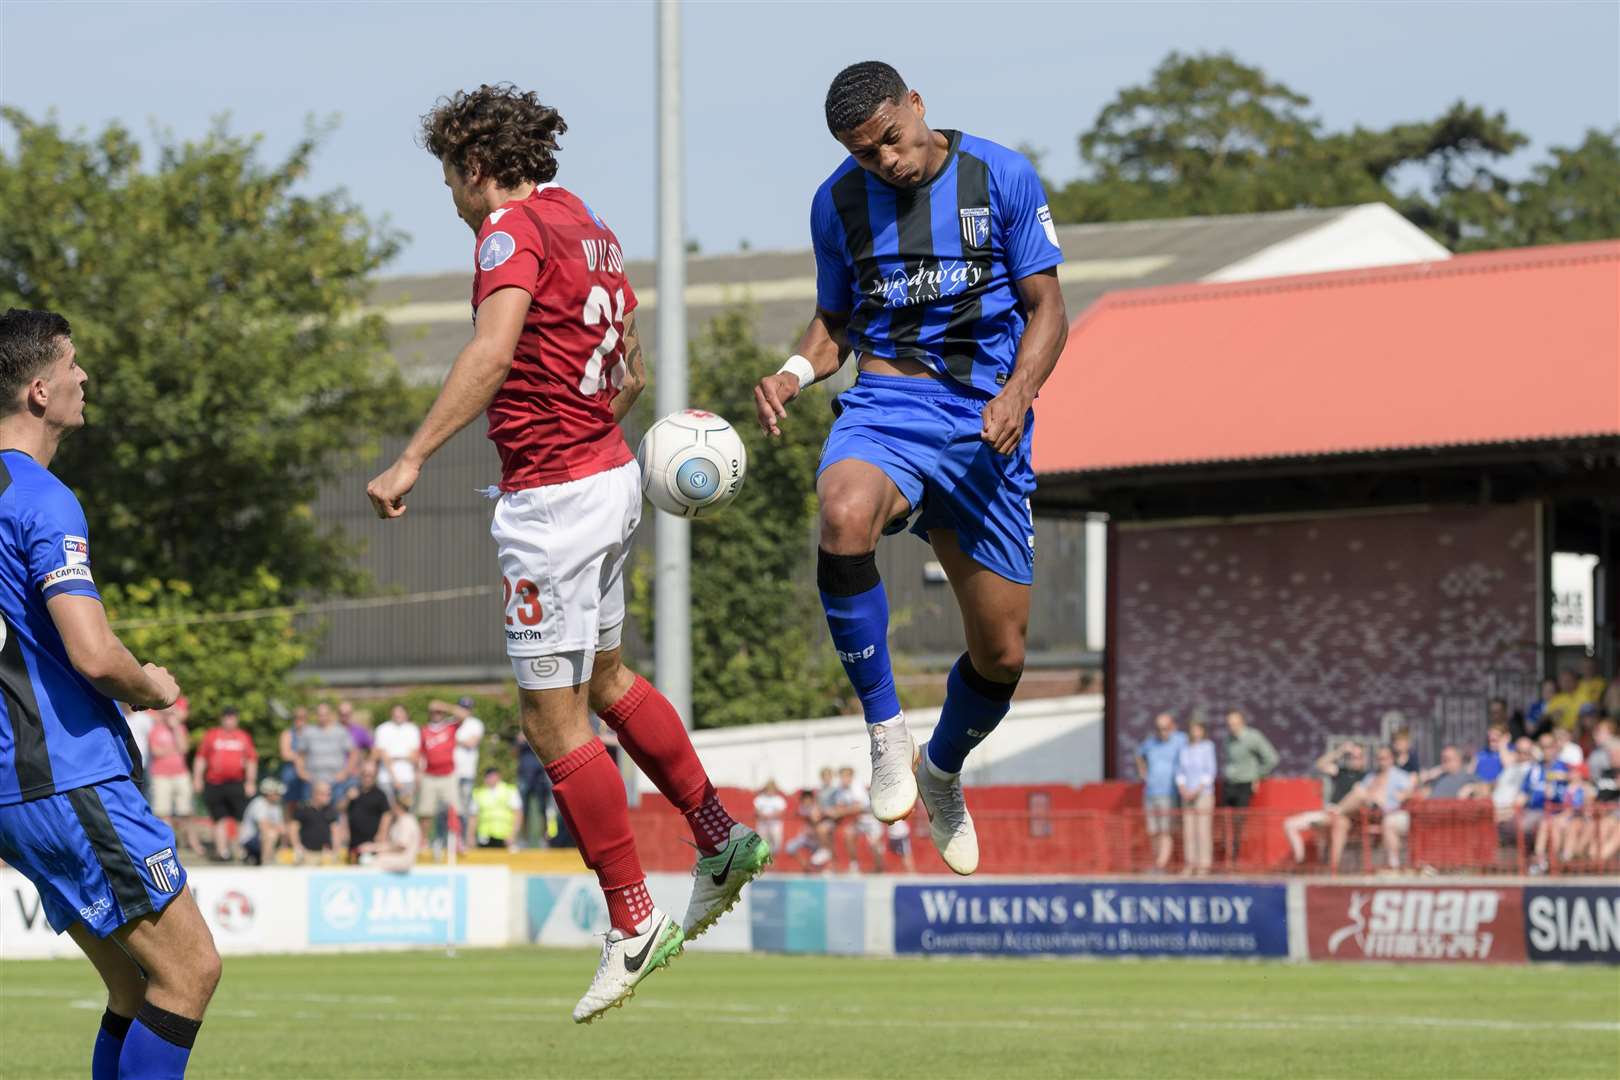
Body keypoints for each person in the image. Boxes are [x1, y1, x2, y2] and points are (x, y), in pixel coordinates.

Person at [366, 84, 767, 1023]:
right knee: (607, 680)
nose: (454, 201)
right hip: (608, 474)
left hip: (551, 502)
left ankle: (632, 919)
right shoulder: (589, 225)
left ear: (473, 168)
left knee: (551, 723)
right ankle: (716, 833)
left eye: (450, 180)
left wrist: (414, 454)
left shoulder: (507, 233)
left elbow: (494, 350)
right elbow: (623, 369)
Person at [751, 61, 1067, 879]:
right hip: (890, 408)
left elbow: (1048, 307)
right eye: (865, 153)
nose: (886, 160)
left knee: (1002, 656)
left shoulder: (998, 174)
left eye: (891, 138)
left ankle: (940, 770)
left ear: (917, 106)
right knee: (844, 512)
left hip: (987, 424)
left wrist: (1019, 391)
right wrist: (793, 370)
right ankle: (885, 733)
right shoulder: (837, 203)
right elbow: (836, 320)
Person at [0, 307, 220, 1077]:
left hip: (17, 787)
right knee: (190, 972)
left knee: (133, 985)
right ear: (38, 389)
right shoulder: (40, 498)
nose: (83, 377)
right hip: (66, 774)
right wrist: (151, 686)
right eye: (71, 365)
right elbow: (93, 655)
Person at [1330, 745, 1416, 871]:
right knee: (1343, 818)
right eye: (1379, 758)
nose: (1381, 761)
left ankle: (1335, 811)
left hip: (1388, 811)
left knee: (1359, 792)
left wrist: (1400, 796)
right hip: (1368, 812)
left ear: (1392, 759)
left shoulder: (1400, 776)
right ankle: (1333, 869)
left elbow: (1410, 792)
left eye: (1384, 758)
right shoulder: (1372, 776)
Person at [1283, 741, 1367, 867]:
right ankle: (1299, 860)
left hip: (1346, 815)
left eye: (1358, 757)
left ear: (1364, 759)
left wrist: (1340, 811)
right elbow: (1320, 764)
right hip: (1327, 812)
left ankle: (1333, 869)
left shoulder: (1366, 776)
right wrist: (1341, 751)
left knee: (1338, 823)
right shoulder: (1341, 772)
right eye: (1351, 757)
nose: (1354, 760)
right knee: (1290, 824)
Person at [192, 707, 257, 862]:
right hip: (215, 783)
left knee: (239, 819)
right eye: (227, 717)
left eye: (232, 717)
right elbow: (201, 758)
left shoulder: (243, 737)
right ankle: (222, 852)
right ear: (222, 719)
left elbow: (251, 760)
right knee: (218, 818)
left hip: (236, 782)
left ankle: (240, 850)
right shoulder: (212, 735)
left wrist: (250, 781)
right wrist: (197, 778)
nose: (229, 720)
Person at [1221, 710, 1278, 859]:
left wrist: (1257, 776)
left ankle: (1237, 856)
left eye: (1235, 724)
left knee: (1240, 822)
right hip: (1229, 784)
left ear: (1242, 722)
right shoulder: (1227, 739)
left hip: (1245, 784)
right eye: (1229, 724)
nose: (1232, 727)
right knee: (1224, 822)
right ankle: (1227, 856)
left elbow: (1271, 758)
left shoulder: (1253, 737)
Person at [1135, 712, 1186, 871]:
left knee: (1165, 830)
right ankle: (1158, 863)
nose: (1162, 731)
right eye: (1159, 728)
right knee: (1154, 831)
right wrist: (1143, 772)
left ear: (1172, 727)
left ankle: (1161, 864)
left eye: (1165, 728)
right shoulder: (1150, 743)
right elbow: (1138, 755)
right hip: (1150, 793)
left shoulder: (1181, 739)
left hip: (1169, 793)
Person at [144, 706, 195, 848]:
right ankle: (170, 842)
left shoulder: (180, 729)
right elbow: (156, 751)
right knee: (163, 811)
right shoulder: (155, 730)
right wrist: (174, 750)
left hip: (180, 773)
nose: (169, 717)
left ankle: (187, 842)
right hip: (161, 775)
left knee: (185, 810)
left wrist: (176, 729)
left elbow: (184, 748)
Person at [417, 703, 461, 859]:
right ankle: (423, 841)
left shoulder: (450, 727)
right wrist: (418, 775)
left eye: (439, 712)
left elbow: (464, 715)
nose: (437, 714)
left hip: (448, 774)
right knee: (426, 811)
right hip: (430, 775)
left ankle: (455, 841)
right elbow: (420, 754)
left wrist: (443, 705)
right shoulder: (424, 730)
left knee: (454, 809)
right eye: (434, 712)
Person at [1176, 719, 1218, 875]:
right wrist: (1183, 788)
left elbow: (1210, 771)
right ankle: (1190, 864)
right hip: (1186, 794)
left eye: (1198, 729)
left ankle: (1204, 865)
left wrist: (1197, 790)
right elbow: (1180, 770)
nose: (1195, 732)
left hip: (1203, 794)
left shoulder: (1208, 747)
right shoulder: (1184, 748)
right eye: (1193, 729)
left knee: (1202, 830)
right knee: (1189, 830)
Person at [301, 702, 360, 805]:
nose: (322, 717)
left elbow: (354, 753)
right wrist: (302, 772)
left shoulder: (341, 731)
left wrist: (346, 772)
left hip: (336, 781)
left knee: (335, 813)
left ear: (330, 715)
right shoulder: (308, 732)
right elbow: (299, 754)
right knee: (312, 814)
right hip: (314, 781)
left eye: (325, 714)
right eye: (320, 714)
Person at [357, 792, 422, 873]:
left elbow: (401, 847)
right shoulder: (401, 821)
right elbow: (394, 844)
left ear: (398, 806)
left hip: (404, 860)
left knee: (368, 861)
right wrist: (373, 847)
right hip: (399, 858)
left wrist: (375, 849)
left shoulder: (406, 822)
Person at [371, 704, 421, 801]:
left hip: (407, 778)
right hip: (386, 778)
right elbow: (382, 754)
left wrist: (417, 777)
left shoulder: (413, 729)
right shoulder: (382, 729)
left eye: (401, 712)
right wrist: (395, 779)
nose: (398, 715)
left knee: (406, 809)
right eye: (396, 712)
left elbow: (414, 756)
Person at [344, 761, 392, 862]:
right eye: (365, 775)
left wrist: (381, 834)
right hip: (354, 843)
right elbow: (340, 810)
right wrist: (347, 799)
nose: (367, 778)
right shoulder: (353, 791)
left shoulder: (380, 795)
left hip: (372, 843)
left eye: (371, 775)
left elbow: (387, 815)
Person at [469, 767, 524, 850]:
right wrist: (471, 836)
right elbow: (473, 817)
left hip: (504, 838)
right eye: (488, 777)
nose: (490, 779)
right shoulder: (478, 793)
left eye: (492, 776)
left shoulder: (510, 791)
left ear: (498, 776)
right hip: (484, 838)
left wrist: (513, 835)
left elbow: (518, 814)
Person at [291, 781, 342, 865]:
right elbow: (293, 829)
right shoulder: (303, 809)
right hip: (307, 853)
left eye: (329, 794)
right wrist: (297, 846)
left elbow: (336, 831)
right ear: (315, 794)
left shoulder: (330, 810)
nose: (329, 797)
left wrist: (335, 851)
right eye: (325, 794)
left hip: (325, 853)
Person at [238, 779, 286, 867]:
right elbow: (263, 827)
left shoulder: (276, 807)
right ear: (269, 793)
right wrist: (278, 828)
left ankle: (275, 858)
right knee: (271, 834)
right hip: (249, 841)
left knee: (280, 833)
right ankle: (266, 863)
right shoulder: (259, 803)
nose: (279, 796)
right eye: (277, 793)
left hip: (262, 839)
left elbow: (282, 829)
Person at [1419, 744, 1488, 800]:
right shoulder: (1439, 776)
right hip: (1432, 811)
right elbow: (1423, 794)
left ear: (1458, 760)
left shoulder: (1466, 775)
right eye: (1443, 759)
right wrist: (1426, 779)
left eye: (1447, 759)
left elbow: (1486, 789)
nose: (1444, 763)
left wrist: (1472, 788)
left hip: (1452, 812)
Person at [278, 705, 310, 812]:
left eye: (302, 717)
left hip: (308, 773)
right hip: (291, 774)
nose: (299, 720)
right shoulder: (287, 734)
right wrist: (300, 758)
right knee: (290, 805)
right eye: (296, 717)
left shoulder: (312, 733)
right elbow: (285, 754)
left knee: (308, 803)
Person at [753, 780, 788, 854]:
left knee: (776, 843)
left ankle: (773, 858)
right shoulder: (760, 799)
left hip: (775, 825)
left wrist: (771, 816)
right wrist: (763, 815)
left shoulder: (779, 800)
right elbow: (756, 810)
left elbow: (782, 811)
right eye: (768, 789)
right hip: (762, 824)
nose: (770, 791)